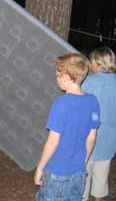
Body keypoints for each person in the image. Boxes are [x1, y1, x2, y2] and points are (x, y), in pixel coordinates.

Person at [34, 53, 100, 200]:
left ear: (66, 77)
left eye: (58, 75)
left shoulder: (60, 103)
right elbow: (92, 137)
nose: (56, 78)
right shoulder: (93, 101)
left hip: (56, 170)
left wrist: (40, 167)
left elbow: (53, 140)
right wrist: (83, 161)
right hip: (78, 172)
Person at [82, 46, 116, 201]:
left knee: (83, 175)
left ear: (98, 63)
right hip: (109, 139)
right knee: (101, 177)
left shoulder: (88, 82)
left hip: (87, 136)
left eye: (91, 61)